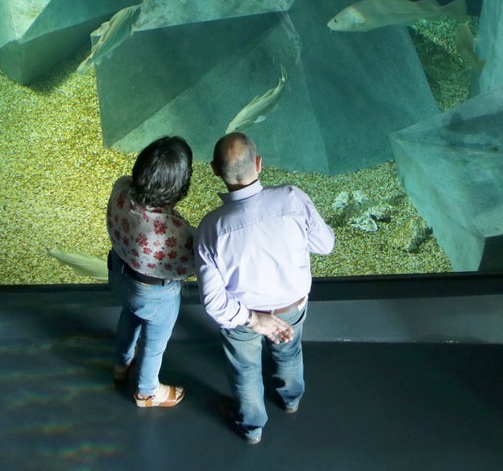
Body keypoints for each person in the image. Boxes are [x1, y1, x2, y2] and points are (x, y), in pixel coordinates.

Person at [195, 132, 335, 443]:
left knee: (245, 371)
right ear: (259, 164)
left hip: (241, 320)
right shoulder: (292, 199)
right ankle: (291, 401)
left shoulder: (209, 229)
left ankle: (252, 428)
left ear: (215, 171)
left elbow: (215, 303)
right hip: (292, 308)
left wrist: (255, 320)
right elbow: (325, 245)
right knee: (289, 354)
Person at [107, 136, 195, 407]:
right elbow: (189, 266)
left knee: (129, 318)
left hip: (119, 273)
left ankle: (121, 365)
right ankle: (147, 391)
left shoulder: (121, 187)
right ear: (180, 186)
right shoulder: (175, 230)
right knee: (154, 344)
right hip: (153, 295)